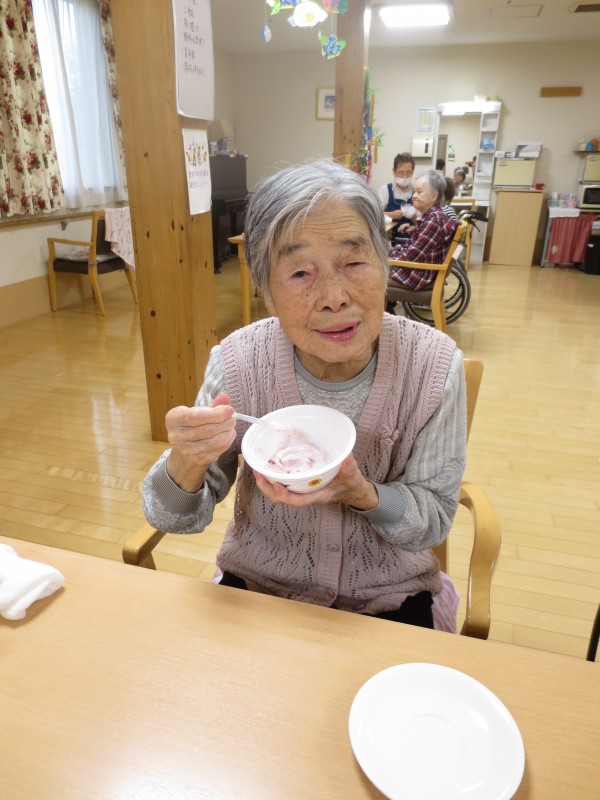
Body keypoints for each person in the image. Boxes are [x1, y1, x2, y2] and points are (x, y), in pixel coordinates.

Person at [142, 159, 466, 630]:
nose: (335, 297)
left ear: (385, 263)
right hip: (259, 590)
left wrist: (364, 494)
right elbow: (174, 518)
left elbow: (433, 520)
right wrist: (186, 463)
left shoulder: (433, 366)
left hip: (388, 599)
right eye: (299, 273)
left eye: (354, 262)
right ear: (266, 292)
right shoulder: (239, 363)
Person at [388, 169, 458, 291]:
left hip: (418, 276)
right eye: (414, 192)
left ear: (434, 196)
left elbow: (412, 255)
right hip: (418, 270)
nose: (414, 196)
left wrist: (387, 258)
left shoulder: (434, 220)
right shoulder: (431, 216)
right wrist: (391, 253)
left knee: (371, 271)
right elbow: (411, 246)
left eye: (419, 192)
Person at [378, 152, 418, 239]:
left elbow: (424, 223)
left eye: (408, 172)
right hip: (389, 239)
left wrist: (412, 216)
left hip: (411, 240)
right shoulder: (385, 190)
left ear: (413, 172)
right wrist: (391, 214)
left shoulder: (416, 191)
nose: (405, 177)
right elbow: (375, 215)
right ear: (394, 172)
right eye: (401, 172)